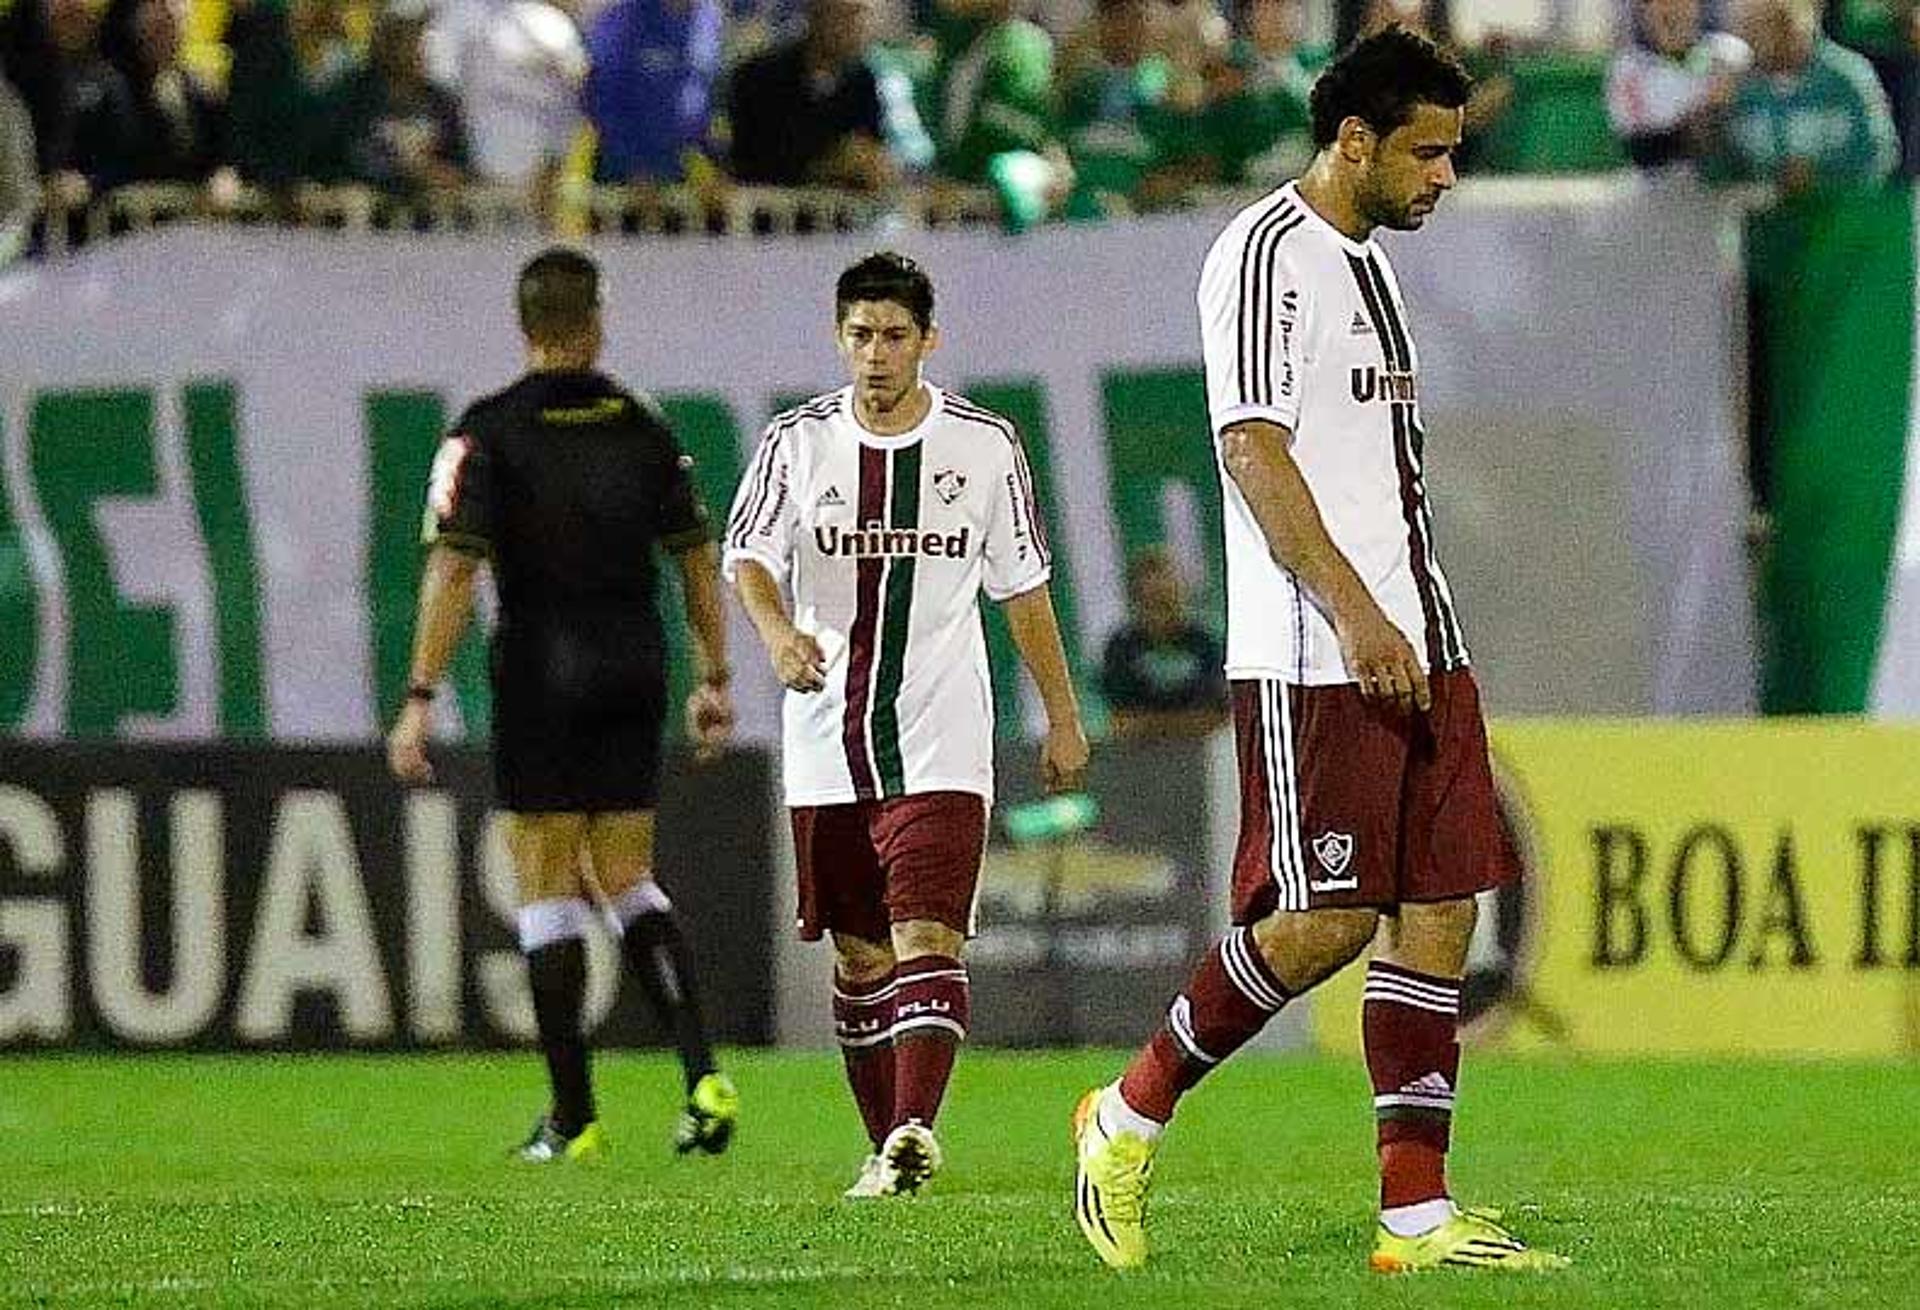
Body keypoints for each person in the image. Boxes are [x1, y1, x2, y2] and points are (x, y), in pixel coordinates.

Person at [1070, 26, 1567, 1274]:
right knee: (1327, 920)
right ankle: (1124, 1116)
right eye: (1429, 153)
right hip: (1317, 648)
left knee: (1444, 905)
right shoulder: (1261, 255)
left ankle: (1414, 1214)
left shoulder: (1372, 264)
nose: (1447, 178)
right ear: (1354, 140)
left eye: (1452, 153)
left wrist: (1410, 616)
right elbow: (1254, 450)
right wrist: (1354, 609)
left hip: (1419, 637)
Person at [726, 251, 1088, 1199]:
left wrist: (1061, 712)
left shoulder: (984, 445)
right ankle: (888, 1145)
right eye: (858, 336)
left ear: (929, 339)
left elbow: (1025, 590)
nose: (875, 355)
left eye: (893, 335)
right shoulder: (795, 443)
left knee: (929, 934)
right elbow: (749, 559)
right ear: (837, 339)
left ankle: (917, 1126)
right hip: (824, 740)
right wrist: (774, 635)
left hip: (942, 734)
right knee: (859, 955)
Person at [388, 247, 740, 1163]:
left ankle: (574, 1117)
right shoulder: (644, 425)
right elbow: (697, 557)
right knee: (628, 877)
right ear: (597, 321)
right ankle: (702, 1073)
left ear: (524, 325)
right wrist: (715, 677)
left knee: (546, 887)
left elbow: (455, 569)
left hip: (542, 666)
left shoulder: (487, 432)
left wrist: (419, 696)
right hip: (635, 664)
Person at [1705, 0, 1899, 190]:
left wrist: (1819, 174)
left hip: (1836, 214)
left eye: (1784, 21)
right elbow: (1714, 172)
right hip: (1756, 215)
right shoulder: (1737, 86)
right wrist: (1711, 121)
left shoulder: (1847, 76)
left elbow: (1880, 155)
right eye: (1762, 24)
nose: (1774, 36)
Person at [1606, 0, 1751, 172]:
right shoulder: (1628, 68)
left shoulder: (1729, 53)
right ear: (1644, 12)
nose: (1671, 11)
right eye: (1658, 4)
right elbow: (1640, 143)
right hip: (1659, 181)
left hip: (1726, 182)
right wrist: (1697, 117)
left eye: (1679, 3)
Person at [1098, 545, 1227, 737]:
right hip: (1139, 756)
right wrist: (1183, 724)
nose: (1162, 615)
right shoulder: (1122, 648)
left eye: (1168, 602)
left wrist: (1153, 725)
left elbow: (1217, 716)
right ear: (1136, 603)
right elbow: (1122, 722)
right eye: (1152, 604)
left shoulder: (1205, 643)